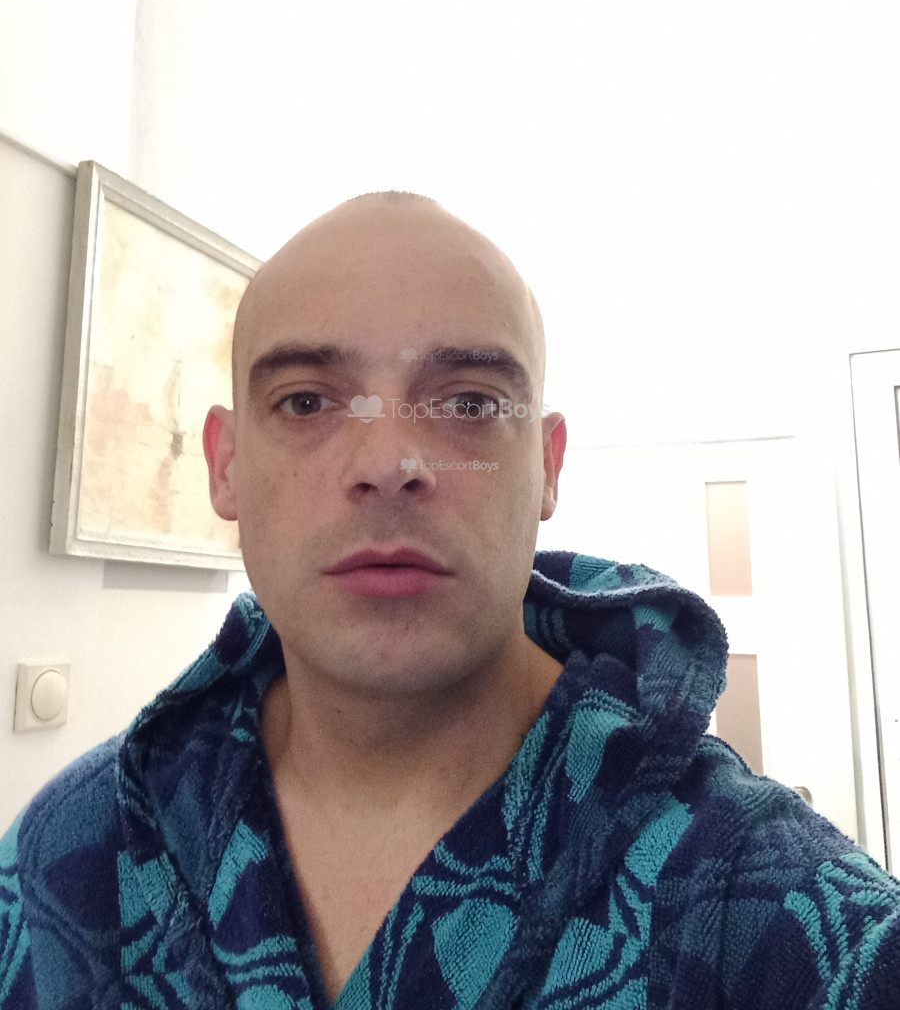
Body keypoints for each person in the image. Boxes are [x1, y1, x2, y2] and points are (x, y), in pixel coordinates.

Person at [1, 191, 899, 1009]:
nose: (389, 463)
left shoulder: (776, 908)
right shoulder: (65, 856)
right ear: (226, 464)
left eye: (469, 405)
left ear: (546, 467)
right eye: (306, 402)